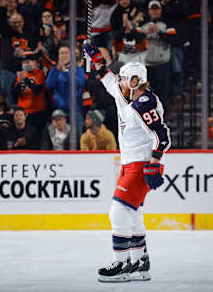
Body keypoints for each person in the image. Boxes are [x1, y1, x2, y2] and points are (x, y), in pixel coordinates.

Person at [84, 42, 171, 282]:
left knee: (119, 210)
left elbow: (162, 136)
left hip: (141, 165)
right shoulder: (127, 95)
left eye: (124, 78)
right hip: (129, 164)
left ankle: (121, 265)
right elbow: (107, 78)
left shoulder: (145, 104)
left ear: (134, 81)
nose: (119, 81)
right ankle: (140, 263)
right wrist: (95, 56)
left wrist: (154, 163)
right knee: (133, 212)